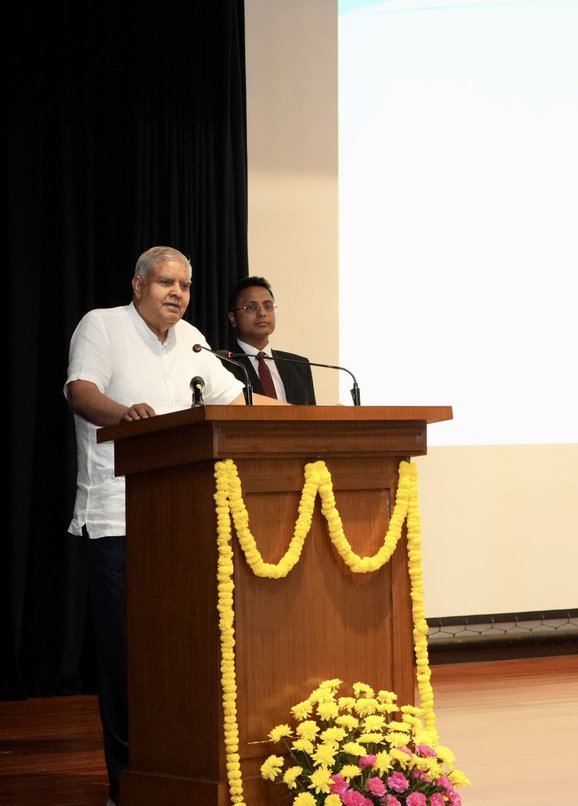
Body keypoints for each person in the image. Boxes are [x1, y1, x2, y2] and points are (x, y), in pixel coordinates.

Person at [65, 246, 285, 804]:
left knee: (184, 652)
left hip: (186, 520)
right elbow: (81, 392)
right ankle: (126, 783)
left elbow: (240, 402)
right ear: (138, 284)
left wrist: (318, 416)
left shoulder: (192, 340)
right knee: (127, 659)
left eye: (185, 285)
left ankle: (180, 771)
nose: (177, 294)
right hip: (118, 519)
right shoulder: (103, 326)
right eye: (166, 282)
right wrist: (126, 414)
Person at [225, 276, 316, 404]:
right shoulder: (223, 365)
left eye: (268, 306)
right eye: (251, 307)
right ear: (233, 318)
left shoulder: (299, 366)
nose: (262, 313)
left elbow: (310, 419)